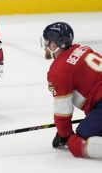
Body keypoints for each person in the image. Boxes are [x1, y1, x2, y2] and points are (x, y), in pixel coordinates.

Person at [41, 22, 102, 159]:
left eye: (47, 42)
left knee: (77, 143)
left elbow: (62, 113)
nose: (45, 46)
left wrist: (65, 136)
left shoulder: (58, 71)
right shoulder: (82, 48)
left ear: (54, 45)